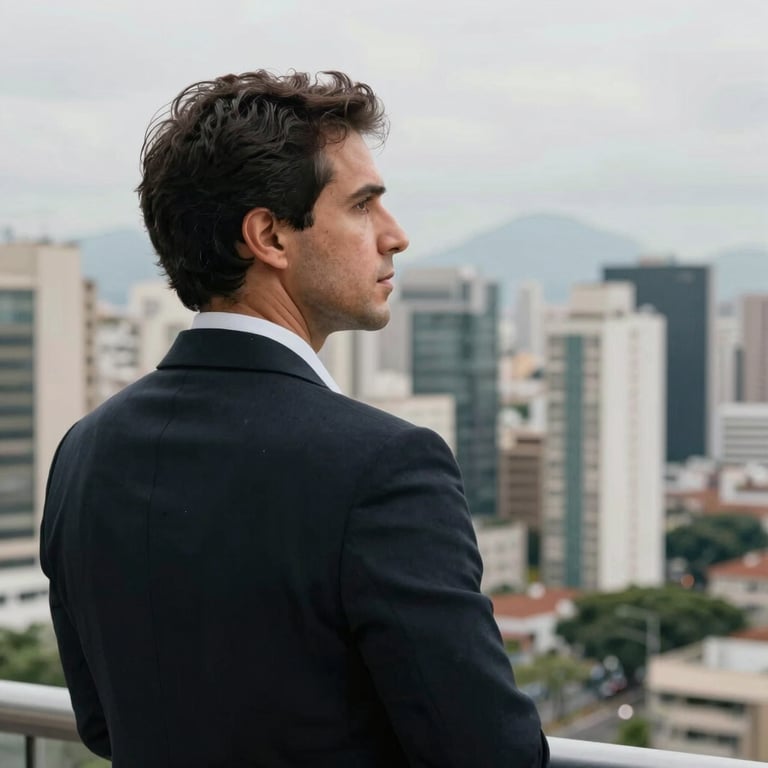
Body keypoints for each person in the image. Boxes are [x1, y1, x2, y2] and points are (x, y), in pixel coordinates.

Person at [41, 70, 549, 767]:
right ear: (270, 237)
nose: (395, 236)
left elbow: (102, 725)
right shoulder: (383, 466)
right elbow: (491, 753)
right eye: (365, 206)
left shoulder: (85, 450)